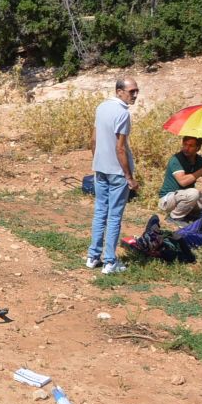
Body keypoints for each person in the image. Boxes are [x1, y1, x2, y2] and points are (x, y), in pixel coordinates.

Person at [85, 78, 139, 274]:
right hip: (117, 172)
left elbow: (93, 140)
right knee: (114, 216)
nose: (134, 95)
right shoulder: (123, 114)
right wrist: (129, 177)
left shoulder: (101, 107)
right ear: (119, 91)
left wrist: (98, 161)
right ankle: (109, 261)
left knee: (100, 211)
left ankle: (93, 256)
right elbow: (120, 148)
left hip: (101, 169)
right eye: (131, 91)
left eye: (136, 91)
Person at [158, 136, 202, 221]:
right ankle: (174, 217)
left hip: (188, 197)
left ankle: (191, 213)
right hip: (168, 199)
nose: (186, 148)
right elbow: (183, 182)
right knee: (193, 193)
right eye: (185, 144)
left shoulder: (200, 161)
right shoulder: (176, 159)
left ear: (198, 148)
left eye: (190, 146)